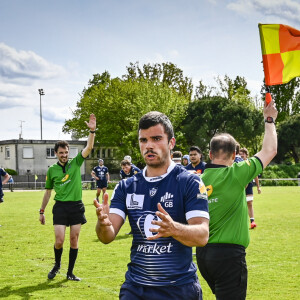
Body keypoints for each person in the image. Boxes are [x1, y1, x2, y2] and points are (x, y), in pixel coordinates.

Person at [95, 111, 209, 300]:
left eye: (156, 138)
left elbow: (202, 235)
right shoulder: (126, 186)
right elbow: (106, 237)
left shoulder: (190, 182)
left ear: (171, 143)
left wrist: (174, 229)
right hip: (136, 288)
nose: (149, 145)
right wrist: (103, 224)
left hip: (178, 288)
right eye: (143, 140)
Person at [196, 101, 277, 299]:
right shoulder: (236, 173)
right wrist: (269, 119)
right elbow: (269, 150)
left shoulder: (196, 180)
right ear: (234, 155)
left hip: (203, 256)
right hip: (229, 256)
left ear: (209, 154)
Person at [39, 113, 96, 281]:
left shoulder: (75, 162)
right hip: (61, 207)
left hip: (76, 206)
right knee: (59, 240)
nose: (64, 155)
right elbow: (48, 192)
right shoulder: (52, 170)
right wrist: (41, 211)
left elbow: (88, 148)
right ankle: (57, 265)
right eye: (61, 152)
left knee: (74, 239)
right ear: (56, 153)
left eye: (66, 152)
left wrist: (92, 131)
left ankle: (70, 273)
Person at [240, 147, 262, 229]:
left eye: (242, 155)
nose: (241, 156)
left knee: (249, 203)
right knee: (240, 204)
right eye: (240, 155)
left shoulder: (249, 163)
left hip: (248, 185)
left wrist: (258, 187)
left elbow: (255, 175)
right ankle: (241, 222)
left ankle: (252, 221)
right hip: (240, 185)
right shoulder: (236, 163)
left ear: (246, 155)